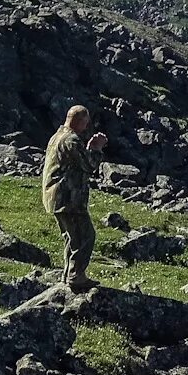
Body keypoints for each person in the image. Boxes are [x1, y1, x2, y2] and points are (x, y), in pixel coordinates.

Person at [42, 104, 107, 291]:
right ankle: (76, 276)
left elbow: (75, 161)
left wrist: (87, 148)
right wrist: (96, 148)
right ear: (79, 121)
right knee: (85, 236)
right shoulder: (70, 139)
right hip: (68, 197)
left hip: (55, 197)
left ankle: (68, 274)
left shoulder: (57, 137)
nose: (86, 127)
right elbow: (89, 165)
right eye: (85, 123)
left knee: (72, 238)